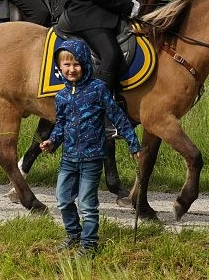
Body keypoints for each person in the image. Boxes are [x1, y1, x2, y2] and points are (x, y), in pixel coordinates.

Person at [39, 39, 141, 256]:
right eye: (66, 65)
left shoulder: (98, 89)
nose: (71, 69)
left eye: (76, 64)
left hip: (92, 158)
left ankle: (89, 245)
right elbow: (61, 125)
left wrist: (133, 144)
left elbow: (118, 117)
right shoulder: (62, 96)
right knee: (63, 200)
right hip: (68, 159)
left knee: (87, 203)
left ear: (85, 63)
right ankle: (73, 235)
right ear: (59, 67)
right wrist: (52, 141)